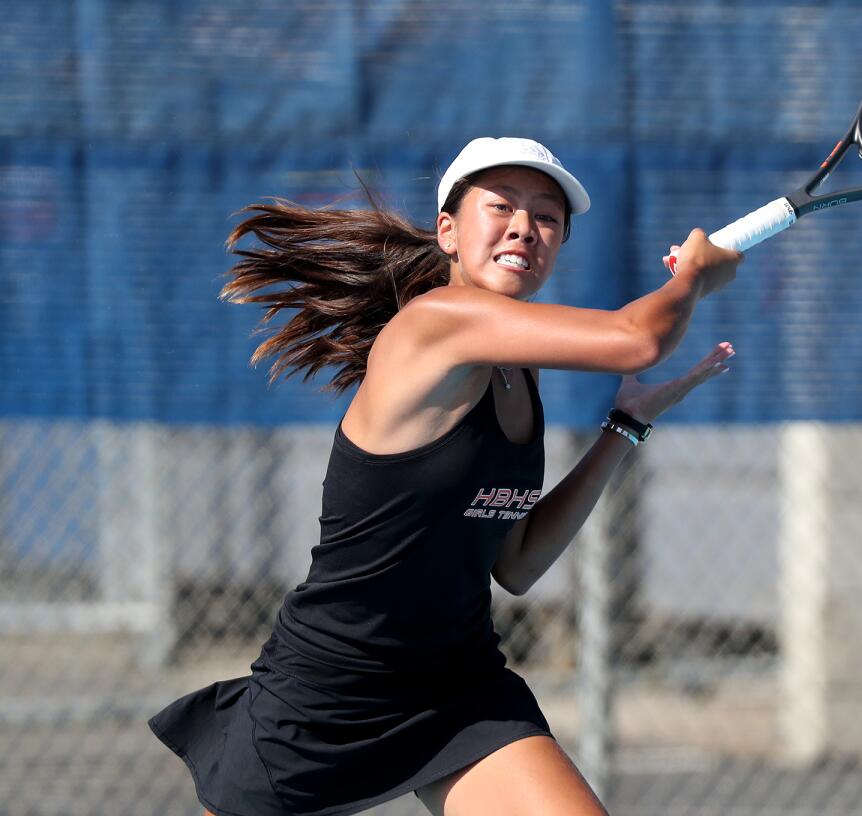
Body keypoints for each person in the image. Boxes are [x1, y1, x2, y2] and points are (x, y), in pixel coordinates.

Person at [148, 136, 741, 816]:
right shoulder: (435, 325)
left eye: (547, 216)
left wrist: (624, 427)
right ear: (449, 232)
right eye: (502, 205)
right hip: (325, 696)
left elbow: (516, 564)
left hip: (457, 689)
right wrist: (691, 275)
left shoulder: (518, 371)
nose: (525, 225)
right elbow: (636, 339)